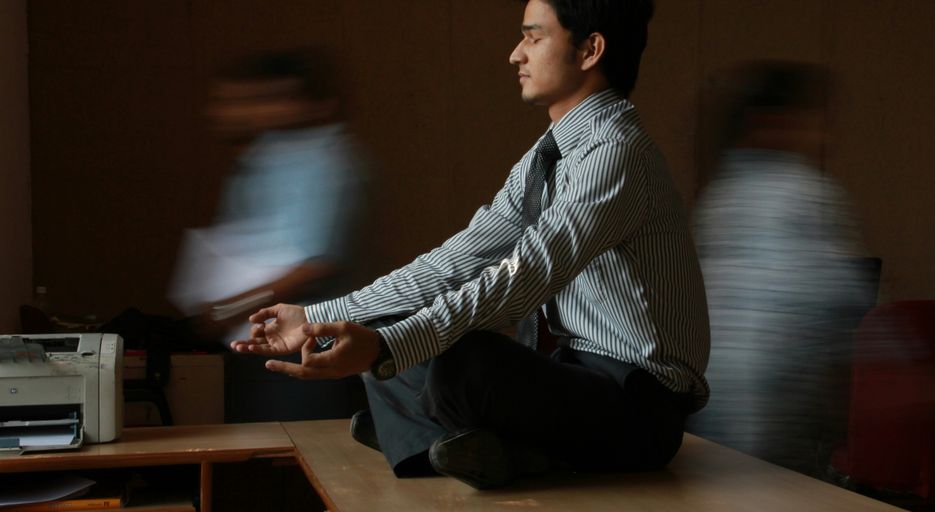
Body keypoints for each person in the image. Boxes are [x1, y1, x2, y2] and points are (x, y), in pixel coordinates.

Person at [232, 0, 709, 489]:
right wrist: (321, 315)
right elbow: (454, 261)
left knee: (455, 361)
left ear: (590, 49)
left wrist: (387, 345)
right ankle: (456, 443)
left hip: (638, 410)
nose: (514, 55)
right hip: (575, 383)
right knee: (394, 333)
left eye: (533, 36)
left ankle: (450, 437)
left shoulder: (617, 154)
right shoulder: (549, 154)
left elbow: (522, 278)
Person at [686, 61, 874, 478]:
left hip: (713, 405)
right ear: (773, 123)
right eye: (814, 120)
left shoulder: (718, 197)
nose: (823, 134)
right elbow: (844, 304)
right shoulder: (803, 191)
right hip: (775, 409)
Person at [168, 49, 367, 346]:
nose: (223, 113)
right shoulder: (265, 159)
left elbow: (311, 270)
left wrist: (225, 312)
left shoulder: (325, 163)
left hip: (300, 343)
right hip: (255, 339)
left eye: (249, 101)